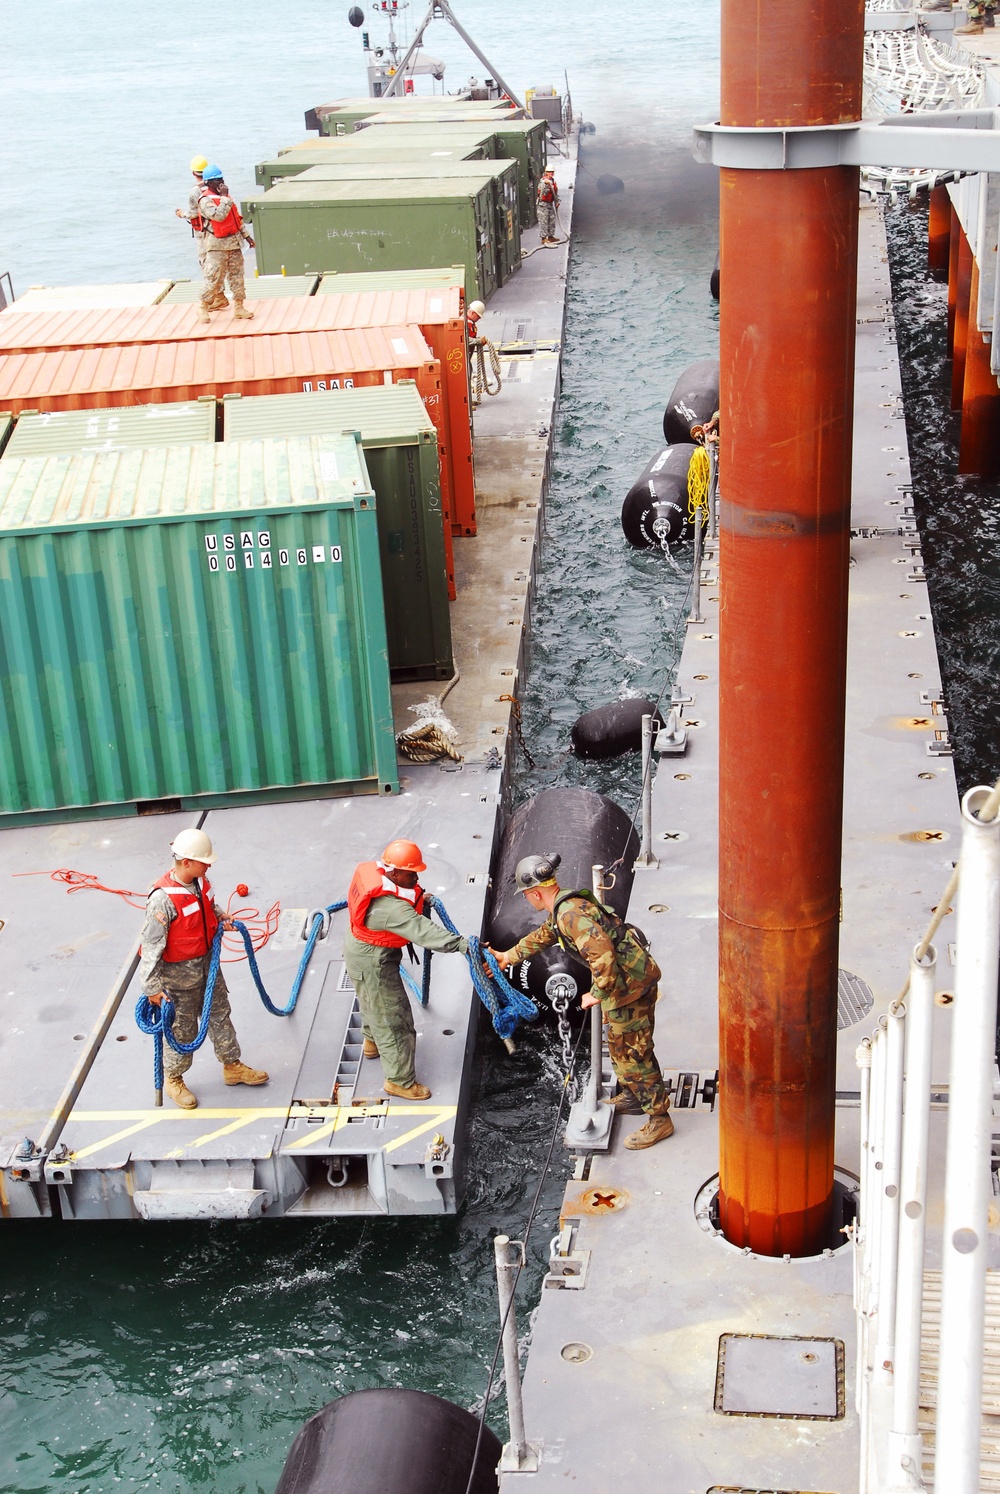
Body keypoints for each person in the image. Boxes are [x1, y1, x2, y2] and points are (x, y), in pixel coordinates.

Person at [489, 853, 674, 1149]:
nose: (527, 900)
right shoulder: (565, 907)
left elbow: (604, 956)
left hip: (629, 987)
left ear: (535, 892)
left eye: (526, 895)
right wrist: (508, 956)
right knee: (619, 1045)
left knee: (634, 1053)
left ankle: (659, 1118)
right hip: (624, 983)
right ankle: (633, 1096)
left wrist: (596, 994)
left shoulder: (570, 916)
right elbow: (545, 935)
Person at [139, 828, 269, 1110]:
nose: (208, 865)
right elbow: (150, 947)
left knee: (220, 1015)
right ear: (186, 862)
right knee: (182, 1030)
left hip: (208, 968)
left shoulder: (200, 882)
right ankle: (174, 1079)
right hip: (179, 981)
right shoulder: (162, 900)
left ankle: (231, 1065)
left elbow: (207, 905)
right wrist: (152, 988)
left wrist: (220, 914)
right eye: (203, 861)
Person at [344, 840, 469, 1101]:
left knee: (370, 1000)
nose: (416, 877)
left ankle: (372, 1041)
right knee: (394, 1019)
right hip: (373, 961)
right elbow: (425, 933)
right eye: (412, 873)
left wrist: (419, 897)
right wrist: (465, 946)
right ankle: (399, 1081)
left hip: (360, 950)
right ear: (394, 873)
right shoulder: (392, 909)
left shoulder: (377, 877)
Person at [197, 165, 256, 324]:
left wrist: (248, 237)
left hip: (234, 244)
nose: (221, 183)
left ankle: (239, 307)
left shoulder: (227, 198)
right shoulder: (206, 201)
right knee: (214, 278)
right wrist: (224, 198)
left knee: (237, 277)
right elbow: (218, 216)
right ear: (209, 183)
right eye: (217, 180)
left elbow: (237, 219)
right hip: (216, 247)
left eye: (222, 180)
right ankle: (203, 306)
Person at [174, 155, 212, 278]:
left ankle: (213, 292)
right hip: (217, 229)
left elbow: (193, 213)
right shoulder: (214, 185)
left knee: (205, 262)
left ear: (193, 173)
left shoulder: (195, 191)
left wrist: (182, 214)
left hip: (203, 231)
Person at [537, 169, 559, 246]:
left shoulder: (553, 181)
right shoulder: (542, 182)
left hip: (550, 203)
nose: (551, 173)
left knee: (552, 219)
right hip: (543, 204)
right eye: (549, 172)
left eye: (552, 172)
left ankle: (550, 236)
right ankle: (543, 238)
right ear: (546, 173)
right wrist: (547, 185)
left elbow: (555, 193)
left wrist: (557, 201)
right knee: (544, 221)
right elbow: (543, 192)